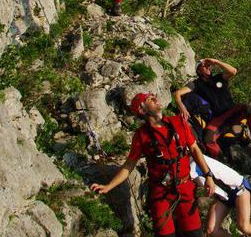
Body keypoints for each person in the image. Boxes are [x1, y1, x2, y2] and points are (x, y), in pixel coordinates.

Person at [90, 92, 216, 237]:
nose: (155, 99)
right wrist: (108, 186)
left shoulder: (178, 122)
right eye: (149, 99)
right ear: (142, 110)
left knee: (194, 233)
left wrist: (208, 176)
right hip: (160, 193)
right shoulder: (141, 135)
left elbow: (195, 149)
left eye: (153, 97)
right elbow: (129, 165)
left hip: (185, 187)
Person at [173, 58, 251, 158]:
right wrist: (182, 107)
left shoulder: (219, 78)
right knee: (208, 138)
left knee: (248, 109)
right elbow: (177, 94)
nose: (208, 67)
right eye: (204, 66)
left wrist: (216, 61)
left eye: (208, 65)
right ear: (198, 70)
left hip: (232, 111)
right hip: (219, 119)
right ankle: (221, 159)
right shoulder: (196, 84)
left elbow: (233, 71)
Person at [190, 156, 251, 237]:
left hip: (239, 188)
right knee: (211, 230)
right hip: (223, 196)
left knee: (244, 226)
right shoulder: (189, 165)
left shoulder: (193, 163)